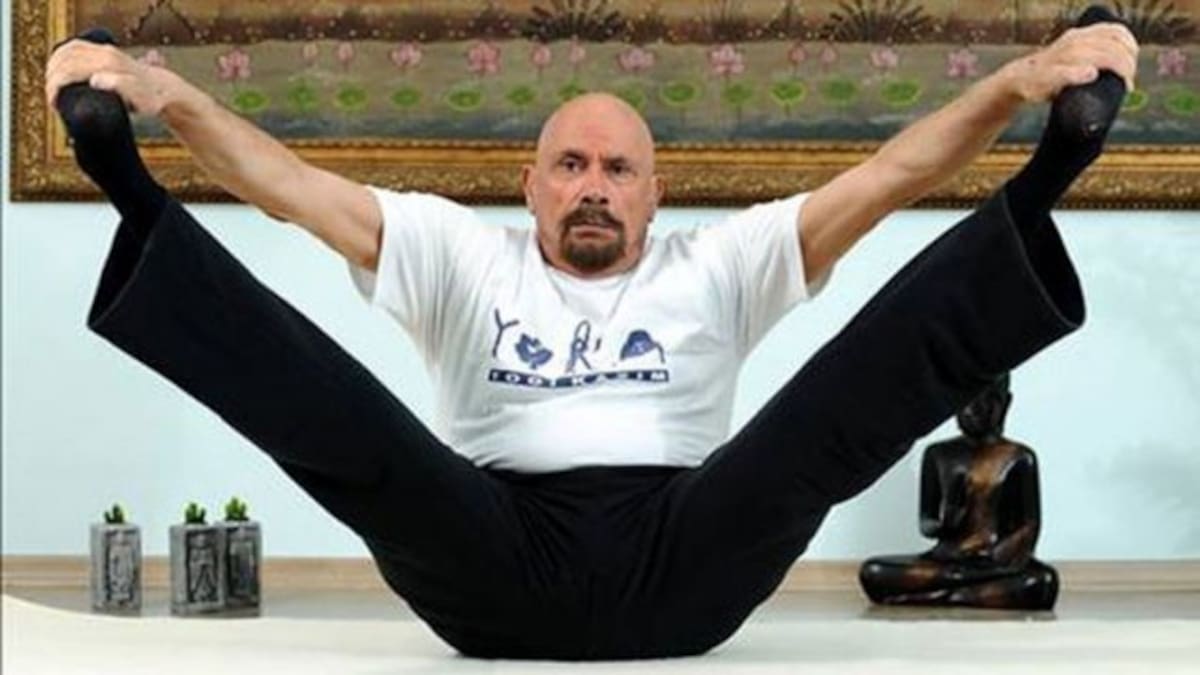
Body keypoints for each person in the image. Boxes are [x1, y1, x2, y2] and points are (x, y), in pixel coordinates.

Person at [44, 6, 1137, 660]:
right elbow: (287, 185)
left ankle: (1050, 177)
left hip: (686, 556)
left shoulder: (721, 262)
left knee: (822, 425)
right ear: (530, 186)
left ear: (657, 195)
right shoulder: (457, 252)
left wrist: (1015, 86)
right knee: (351, 432)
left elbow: (892, 174)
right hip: (488, 557)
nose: (594, 185)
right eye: (570, 164)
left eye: (619, 168)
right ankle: (127, 188)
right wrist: (164, 98)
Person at [858, 373, 1060, 610]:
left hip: (993, 562)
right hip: (946, 559)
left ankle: (940, 596)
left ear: (1006, 403)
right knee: (874, 571)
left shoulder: (1019, 457)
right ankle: (968, 594)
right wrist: (947, 522)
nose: (977, 409)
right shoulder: (938, 454)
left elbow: (1029, 526)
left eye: (990, 400)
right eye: (968, 401)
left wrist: (998, 555)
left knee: (1044, 580)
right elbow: (927, 524)